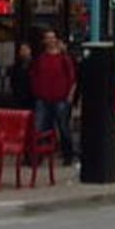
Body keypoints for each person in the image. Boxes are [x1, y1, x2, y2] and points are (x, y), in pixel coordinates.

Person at [29, 31, 78, 165]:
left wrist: (70, 95)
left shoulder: (64, 58)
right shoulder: (40, 58)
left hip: (61, 98)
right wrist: (37, 92)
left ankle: (68, 155)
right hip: (43, 98)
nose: (50, 41)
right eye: (48, 38)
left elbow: (72, 78)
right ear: (44, 41)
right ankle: (38, 155)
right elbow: (34, 76)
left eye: (53, 38)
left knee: (63, 127)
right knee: (39, 127)